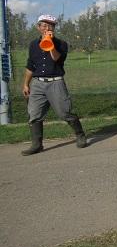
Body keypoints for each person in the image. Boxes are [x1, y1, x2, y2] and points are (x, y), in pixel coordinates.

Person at [21, 14, 88, 155]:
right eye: (44, 25)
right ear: (38, 27)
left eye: (50, 25)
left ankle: (80, 135)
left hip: (55, 82)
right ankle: (37, 145)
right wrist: (26, 84)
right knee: (34, 114)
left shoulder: (61, 44)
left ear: (54, 28)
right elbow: (30, 66)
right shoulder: (33, 45)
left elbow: (56, 58)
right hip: (37, 83)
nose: (47, 27)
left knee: (64, 112)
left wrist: (49, 42)